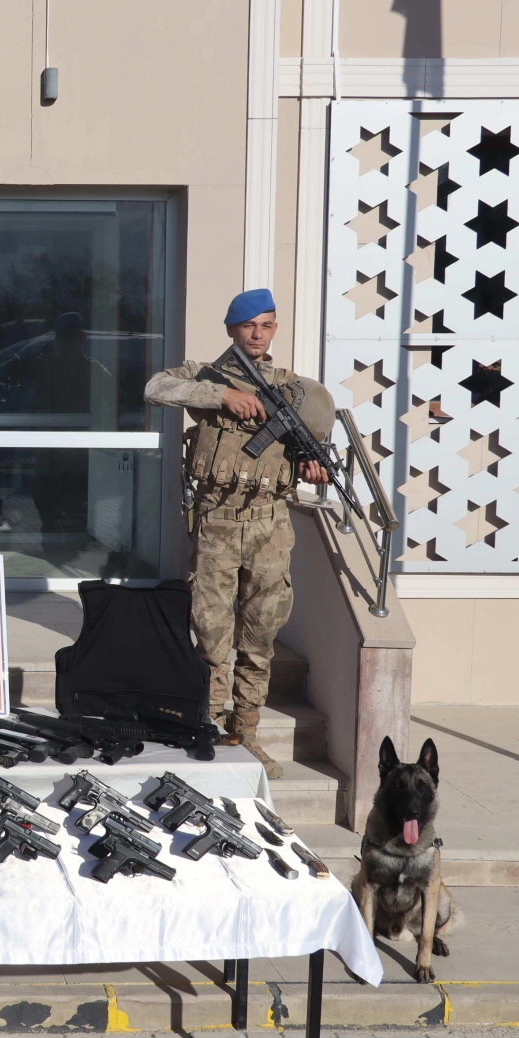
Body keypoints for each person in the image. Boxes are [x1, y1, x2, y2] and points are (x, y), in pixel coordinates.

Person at [143, 289, 330, 779]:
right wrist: (223, 396)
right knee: (210, 631)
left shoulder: (293, 389)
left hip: (270, 523)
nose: (257, 334)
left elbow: (309, 444)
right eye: (248, 325)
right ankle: (206, 723)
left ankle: (245, 731)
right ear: (232, 328)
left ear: (275, 329)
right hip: (218, 521)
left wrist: (310, 467)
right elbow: (156, 388)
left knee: (261, 633)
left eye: (266, 325)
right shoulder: (205, 375)